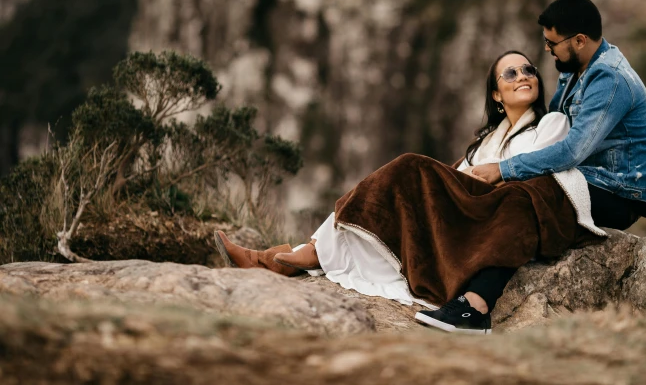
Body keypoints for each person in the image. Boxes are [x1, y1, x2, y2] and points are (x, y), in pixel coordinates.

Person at [215, 49, 606, 334]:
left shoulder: (551, 124)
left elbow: (529, 174)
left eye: (528, 69)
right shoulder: (483, 143)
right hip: (466, 215)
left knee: (410, 167)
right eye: (510, 74)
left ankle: (297, 256)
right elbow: (463, 178)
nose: (523, 76)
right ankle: (298, 254)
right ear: (496, 96)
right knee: (397, 187)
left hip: (492, 214)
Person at [451, 0, 646, 325]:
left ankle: (475, 308)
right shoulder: (576, 67)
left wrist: (504, 169)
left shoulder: (609, 78)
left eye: (552, 43)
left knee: (527, 200)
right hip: (585, 177)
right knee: (521, 193)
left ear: (579, 40)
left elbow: (571, 150)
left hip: (619, 192)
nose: (547, 50)